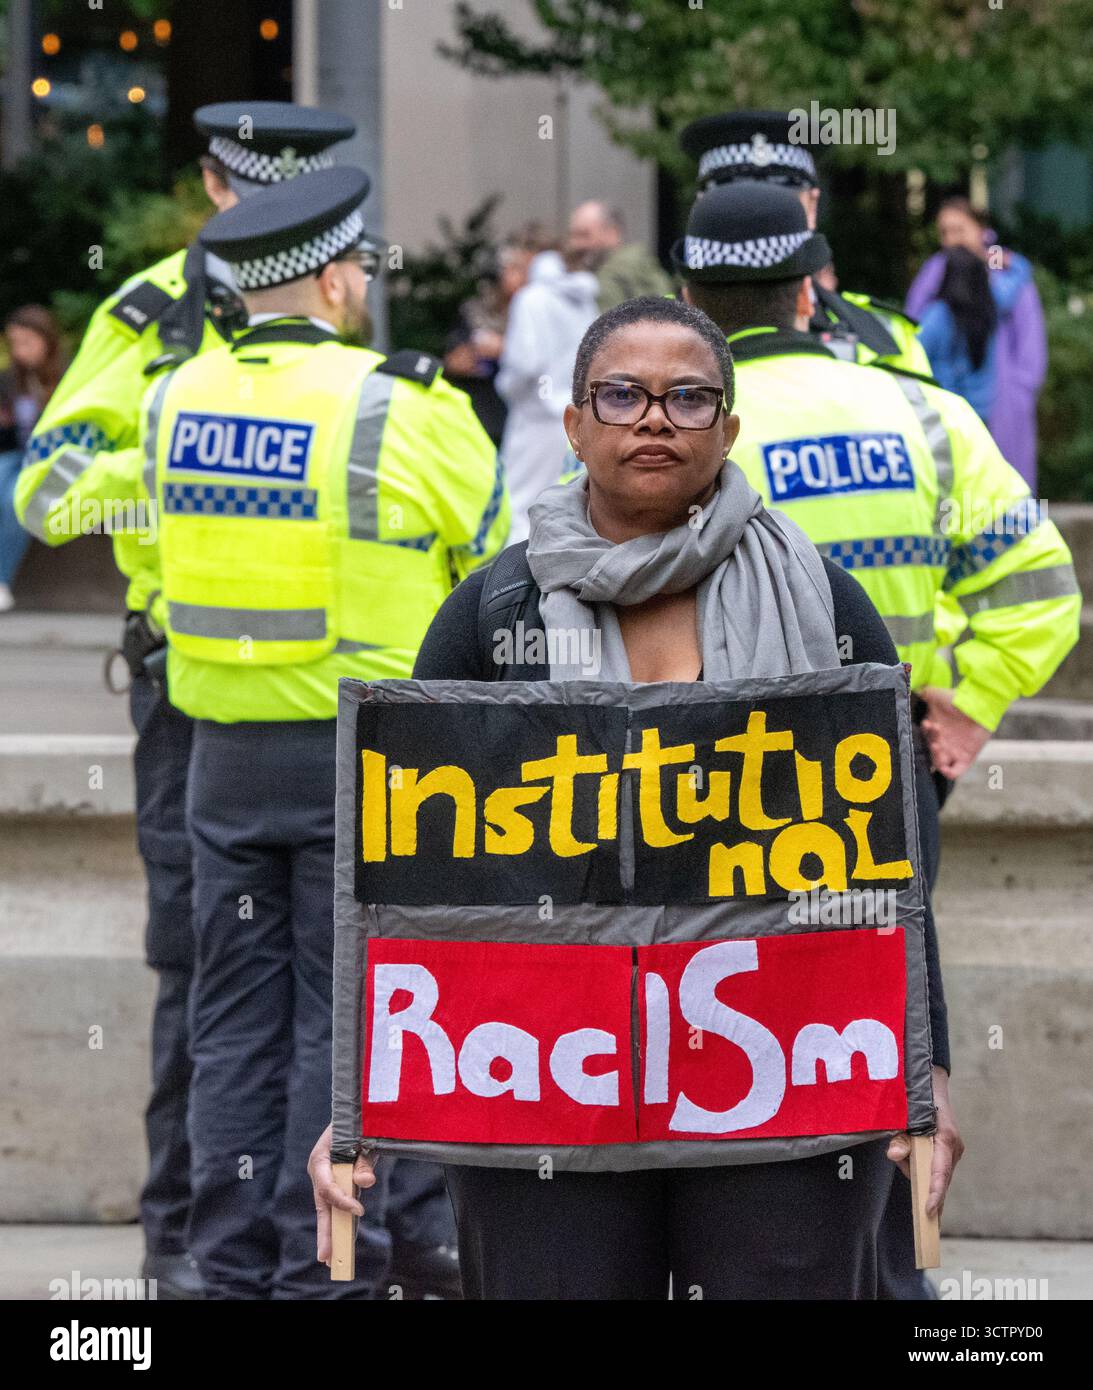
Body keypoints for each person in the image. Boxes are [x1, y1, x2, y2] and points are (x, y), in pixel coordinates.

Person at [309, 294, 960, 1300]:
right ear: (571, 426)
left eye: (688, 397)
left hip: (778, 1075)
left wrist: (930, 1071)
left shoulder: (826, 603)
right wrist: (352, 1102)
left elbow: (897, 863)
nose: (654, 418)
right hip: (546, 1080)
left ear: (730, 430)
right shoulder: (492, 613)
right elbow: (405, 885)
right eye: (622, 395)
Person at [44, 166, 507, 1297]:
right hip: (362, 754)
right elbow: (485, 558)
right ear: (338, 278)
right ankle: (326, 1265)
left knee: (231, 1017)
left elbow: (116, 536)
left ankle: (225, 1260)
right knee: (341, 1019)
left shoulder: (171, 400)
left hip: (219, 759)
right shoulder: (402, 402)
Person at [672, 182, 1080, 1295]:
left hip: (701, 789)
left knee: (734, 1040)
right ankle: (895, 1281)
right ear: (811, 289)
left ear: (687, 300)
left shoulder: (657, 425)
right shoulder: (921, 415)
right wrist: (968, 700)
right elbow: (1041, 590)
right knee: (885, 1030)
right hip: (882, 775)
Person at [14, 102, 358, 1301]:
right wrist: (179, 513)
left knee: (327, 981)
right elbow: (51, 494)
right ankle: (186, 1243)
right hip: (195, 685)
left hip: (328, 693)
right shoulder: (152, 310)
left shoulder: (328, 304)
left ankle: (304, 1242)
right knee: (202, 964)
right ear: (216, 187)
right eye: (261, 191)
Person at [679, 111, 931, 373]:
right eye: (735, 201)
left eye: (779, 203)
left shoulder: (883, 336)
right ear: (699, 208)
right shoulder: (645, 330)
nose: (757, 216)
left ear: (812, 207)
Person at [906, 197, 1047, 488]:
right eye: (944, 232)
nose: (951, 239)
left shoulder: (1004, 266)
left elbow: (1031, 344)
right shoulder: (939, 268)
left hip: (1004, 402)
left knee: (1004, 489)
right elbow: (913, 326)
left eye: (959, 229)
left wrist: (1021, 389)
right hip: (951, 401)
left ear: (981, 229)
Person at [495, 246, 598, 543]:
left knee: (519, 504)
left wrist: (506, 387)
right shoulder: (583, 301)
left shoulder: (531, 299)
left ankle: (516, 581)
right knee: (568, 500)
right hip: (575, 416)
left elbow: (524, 363)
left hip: (534, 417)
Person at [443, 228, 547, 445]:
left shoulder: (545, 312)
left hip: (535, 417)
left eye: (526, 269)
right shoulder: (476, 311)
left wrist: (506, 350)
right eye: (513, 268)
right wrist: (466, 357)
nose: (521, 277)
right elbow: (454, 361)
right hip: (485, 416)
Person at [0, 305, 65, 609]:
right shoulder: (9, 380)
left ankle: (1, 580)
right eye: (14, 344)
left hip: (49, 457)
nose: (20, 351)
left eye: (27, 342)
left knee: (15, 498)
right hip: (16, 453)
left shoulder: (66, 377)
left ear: (46, 341)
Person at [916, 248, 999, 422]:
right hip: (980, 416)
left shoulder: (938, 315)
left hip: (945, 415)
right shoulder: (988, 313)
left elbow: (915, 356)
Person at [566, 200, 672, 311]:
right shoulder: (643, 263)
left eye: (584, 235)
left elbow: (606, 325)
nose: (575, 244)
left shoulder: (610, 275)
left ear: (613, 232)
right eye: (572, 235)